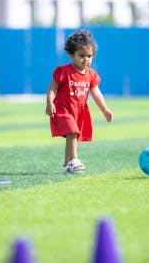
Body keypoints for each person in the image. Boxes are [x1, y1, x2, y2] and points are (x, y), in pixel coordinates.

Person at [45, 29, 113, 174]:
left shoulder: (91, 74)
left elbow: (96, 93)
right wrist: (49, 103)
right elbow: (52, 88)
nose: (86, 60)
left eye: (89, 56)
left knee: (73, 136)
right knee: (72, 132)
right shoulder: (64, 71)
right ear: (71, 54)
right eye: (81, 56)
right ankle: (74, 160)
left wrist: (104, 109)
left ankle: (66, 164)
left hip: (79, 110)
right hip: (63, 109)